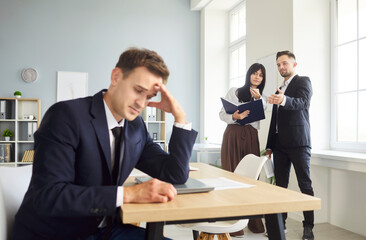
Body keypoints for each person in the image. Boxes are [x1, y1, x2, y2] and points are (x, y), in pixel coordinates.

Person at [13, 48, 198, 240]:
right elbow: (50, 196)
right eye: (139, 90)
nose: (142, 103)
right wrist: (128, 194)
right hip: (56, 234)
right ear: (116, 77)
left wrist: (180, 118)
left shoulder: (135, 127)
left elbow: (175, 174)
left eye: (149, 97)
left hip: (105, 231)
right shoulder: (66, 116)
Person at [265, 50, 314, 240]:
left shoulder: (303, 81)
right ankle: (280, 225)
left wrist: (284, 99)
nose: (281, 67)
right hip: (279, 146)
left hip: (299, 143)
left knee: (305, 185)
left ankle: (308, 227)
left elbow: (302, 102)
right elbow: (274, 121)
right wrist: (270, 145)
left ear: (294, 64)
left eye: (284, 63)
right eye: (278, 64)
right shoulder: (280, 88)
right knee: (280, 187)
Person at [219, 63, 267, 237]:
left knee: (251, 178)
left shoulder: (262, 97)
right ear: (249, 75)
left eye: (260, 75)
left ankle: (253, 221)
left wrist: (258, 100)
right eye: (254, 73)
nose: (257, 77)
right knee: (231, 174)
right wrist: (234, 116)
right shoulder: (234, 91)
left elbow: (263, 111)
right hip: (233, 134)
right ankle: (233, 223)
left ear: (263, 79)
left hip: (251, 136)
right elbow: (221, 114)